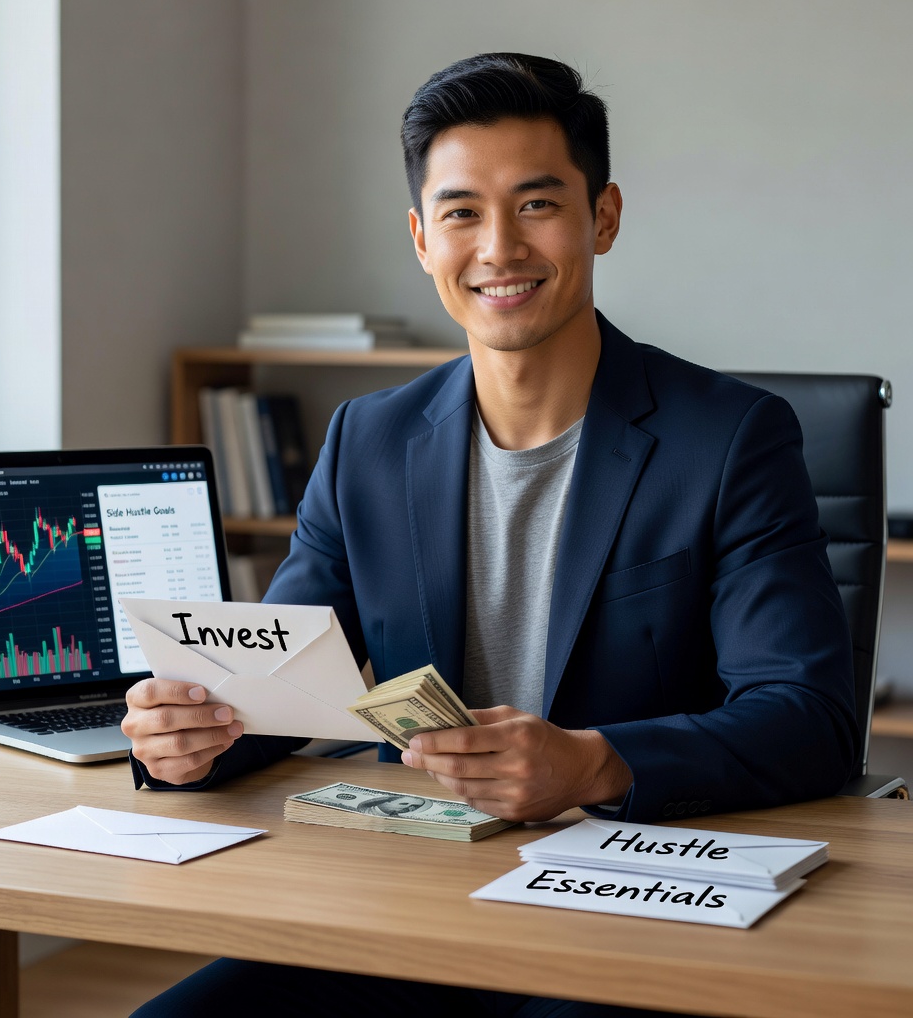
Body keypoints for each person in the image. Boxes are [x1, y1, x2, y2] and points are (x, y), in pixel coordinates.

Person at [123, 52, 857, 1017]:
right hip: (403, 901)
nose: (499, 247)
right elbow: (290, 684)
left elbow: (811, 718)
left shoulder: (728, 439)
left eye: (538, 204)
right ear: (423, 240)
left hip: (626, 909)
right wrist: (192, 738)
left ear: (603, 217)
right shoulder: (367, 440)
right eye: (462, 212)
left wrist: (595, 761)